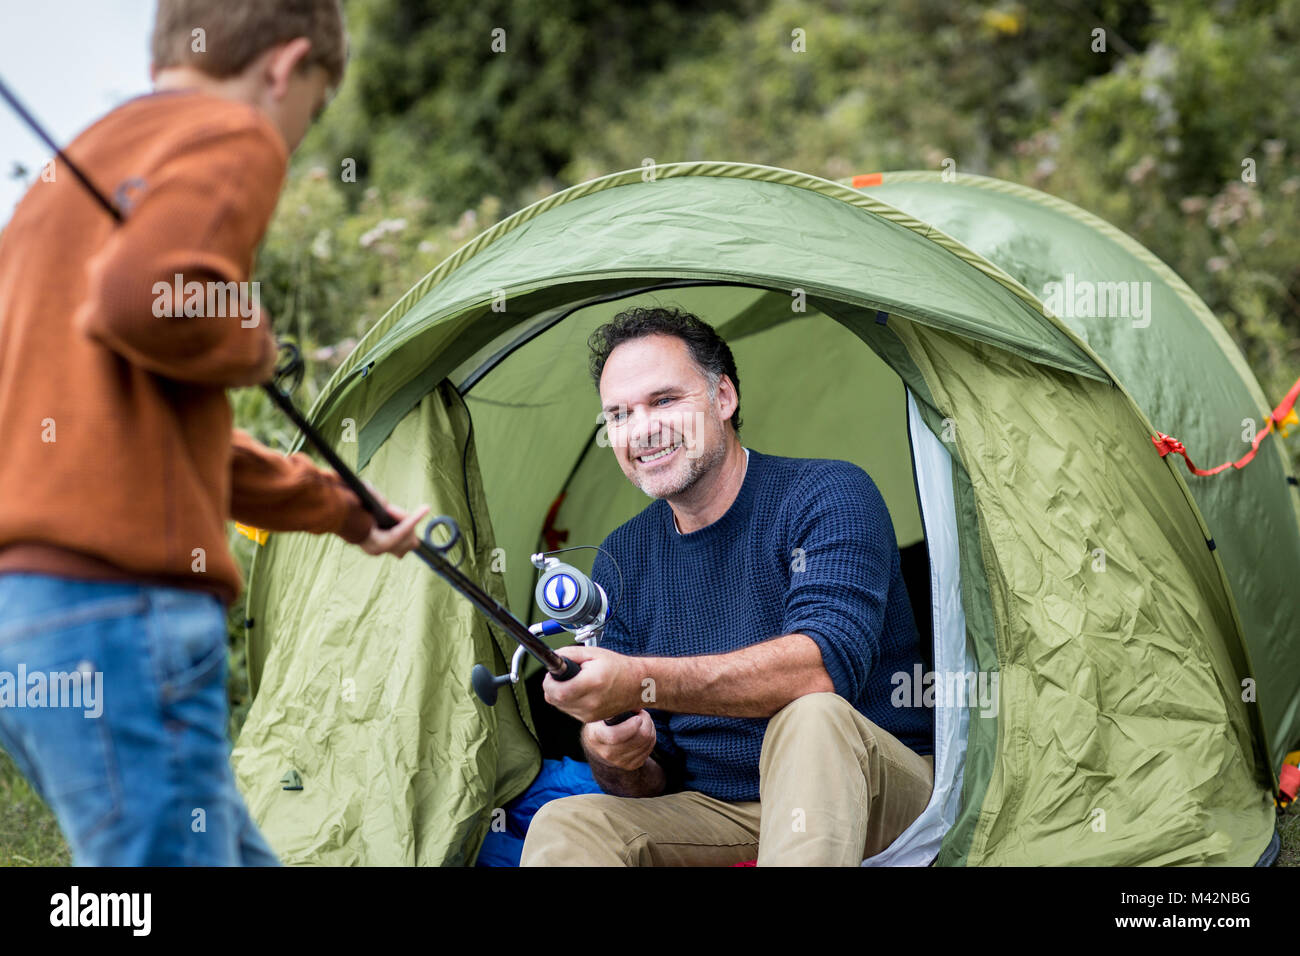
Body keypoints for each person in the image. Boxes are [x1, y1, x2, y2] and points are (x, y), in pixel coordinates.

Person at [0, 0, 430, 865]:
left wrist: (344, 507)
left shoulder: (63, 185)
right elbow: (142, 296)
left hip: (28, 623)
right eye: (308, 115)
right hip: (122, 613)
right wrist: (253, 337)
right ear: (286, 66)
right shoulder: (225, 133)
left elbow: (169, 443)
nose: (292, 143)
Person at [519, 307, 935, 866]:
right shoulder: (621, 557)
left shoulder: (828, 494)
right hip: (725, 812)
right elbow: (649, 781)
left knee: (812, 715)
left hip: (876, 793)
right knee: (567, 821)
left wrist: (638, 679)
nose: (641, 429)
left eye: (664, 401)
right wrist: (616, 753)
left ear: (723, 398)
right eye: (618, 414)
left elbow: (820, 671)